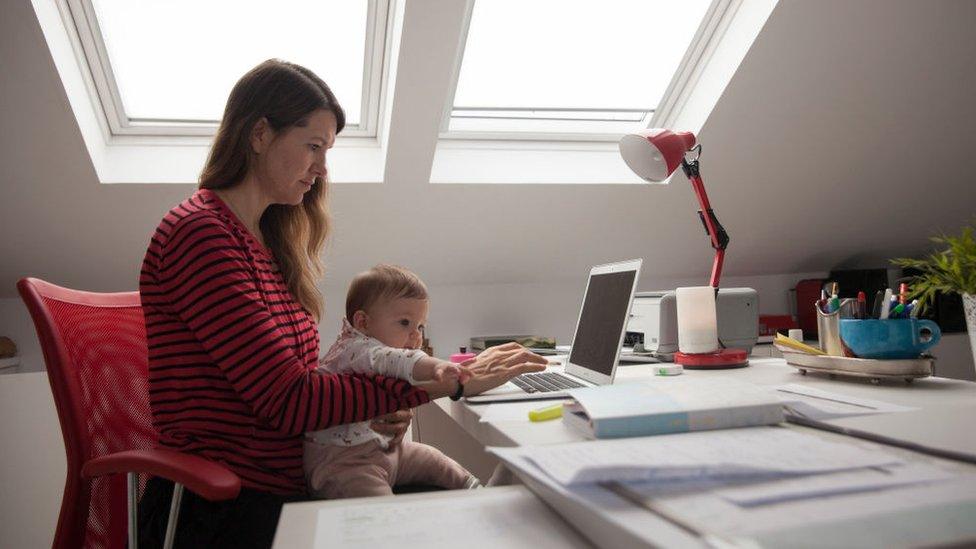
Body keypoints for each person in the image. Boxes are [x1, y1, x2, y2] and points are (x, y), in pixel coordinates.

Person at [136, 59, 546, 548]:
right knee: (471, 522)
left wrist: (376, 409)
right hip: (224, 507)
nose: (322, 168)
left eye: (327, 151)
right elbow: (291, 401)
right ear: (260, 134)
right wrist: (440, 382)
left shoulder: (262, 244)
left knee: (493, 510)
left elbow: (310, 381)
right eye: (313, 146)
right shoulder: (200, 236)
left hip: (290, 481)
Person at [305, 264, 481, 498]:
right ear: (363, 322)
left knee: (434, 459)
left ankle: (479, 491)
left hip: (384, 450)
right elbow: (400, 360)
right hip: (344, 463)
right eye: (405, 323)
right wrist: (437, 366)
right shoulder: (357, 348)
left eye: (420, 326)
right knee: (378, 503)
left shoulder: (375, 348)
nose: (416, 335)